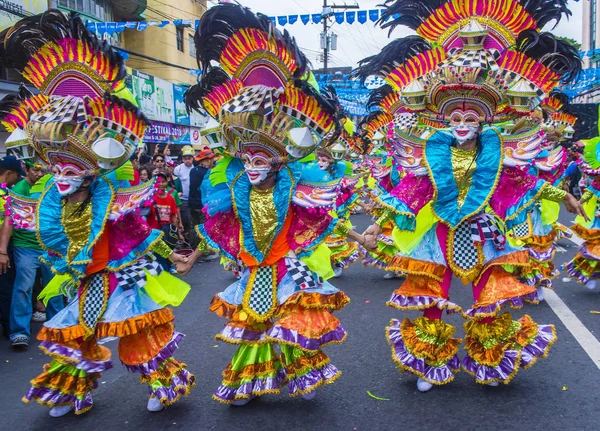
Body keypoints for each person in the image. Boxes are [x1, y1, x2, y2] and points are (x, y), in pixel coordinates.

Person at [355, 0, 585, 392]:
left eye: (471, 118)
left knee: (489, 294)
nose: (463, 124)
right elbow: (412, 191)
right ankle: (429, 362)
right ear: (444, 120)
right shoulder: (433, 153)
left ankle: (490, 359)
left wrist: (562, 193)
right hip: (440, 230)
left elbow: (520, 183)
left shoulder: (496, 153)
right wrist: (378, 224)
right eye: (456, 119)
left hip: (484, 230)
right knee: (432, 295)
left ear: (485, 120)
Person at [0, 10, 195, 416]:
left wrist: (172, 255)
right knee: (73, 335)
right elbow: (49, 236)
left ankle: (162, 385)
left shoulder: (112, 198)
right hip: (81, 276)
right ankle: (72, 391)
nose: (61, 177)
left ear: (91, 173)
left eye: (71, 170)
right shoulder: (48, 201)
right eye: (56, 169)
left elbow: (140, 234)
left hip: (121, 274)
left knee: (138, 331)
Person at [180, 2, 373, 405]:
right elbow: (217, 225)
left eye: (261, 158)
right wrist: (192, 257)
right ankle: (251, 381)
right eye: (247, 158)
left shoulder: (296, 184)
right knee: (253, 325)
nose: (253, 166)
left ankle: (301, 375)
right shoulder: (233, 189)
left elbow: (324, 215)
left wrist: (359, 235)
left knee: (290, 322)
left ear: (281, 158)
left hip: (286, 265)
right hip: (253, 269)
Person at [0, 161, 64, 349]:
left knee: (55, 288)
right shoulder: (19, 189)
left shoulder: (53, 185)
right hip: (26, 246)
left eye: (42, 169)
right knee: (23, 288)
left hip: (51, 246)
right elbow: (9, 220)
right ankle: (19, 332)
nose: (39, 173)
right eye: (34, 169)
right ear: (26, 170)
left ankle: (56, 328)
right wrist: (2, 251)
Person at [0, 156, 25, 338]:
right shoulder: (5, 195)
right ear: (8, 174)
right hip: (3, 247)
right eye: (17, 175)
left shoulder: (7, 193)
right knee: (6, 286)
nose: (18, 179)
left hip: (6, 246)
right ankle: (8, 326)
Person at [188, 148, 216, 254]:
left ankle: (194, 251)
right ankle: (204, 253)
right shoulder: (208, 173)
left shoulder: (193, 171)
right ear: (208, 160)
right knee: (205, 229)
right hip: (203, 206)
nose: (212, 162)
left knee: (194, 228)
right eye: (212, 160)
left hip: (191, 204)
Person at [173, 145, 194, 241]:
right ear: (182, 159)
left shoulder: (195, 169)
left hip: (192, 199)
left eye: (189, 158)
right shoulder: (178, 169)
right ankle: (183, 238)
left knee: (191, 221)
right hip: (182, 200)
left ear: (193, 158)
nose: (187, 161)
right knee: (185, 220)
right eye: (185, 159)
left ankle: (189, 239)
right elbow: (174, 183)